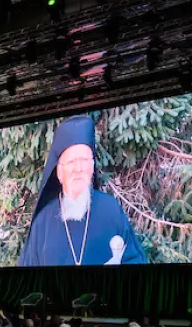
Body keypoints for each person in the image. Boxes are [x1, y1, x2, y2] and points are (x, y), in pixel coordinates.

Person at [16, 114, 146, 266]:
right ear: (59, 172)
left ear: (92, 167)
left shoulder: (110, 210)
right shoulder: (43, 222)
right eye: (71, 161)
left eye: (84, 160)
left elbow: (135, 261)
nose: (79, 169)